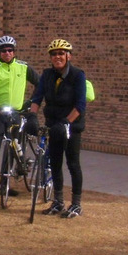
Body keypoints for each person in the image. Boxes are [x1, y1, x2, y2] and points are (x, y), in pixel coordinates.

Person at [30, 39, 86, 218]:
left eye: (61, 53)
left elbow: (80, 105)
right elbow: (37, 98)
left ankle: (76, 204)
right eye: (54, 54)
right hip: (53, 125)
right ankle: (58, 201)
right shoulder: (47, 75)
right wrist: (32, 116)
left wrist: (66, 123)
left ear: (68, 56)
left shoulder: (77, 75)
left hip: (71, 126)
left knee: (73, 164)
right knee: (54, 163)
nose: (57, 57)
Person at [0, 35, 40, 200]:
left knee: (13, 149)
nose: (7, 53)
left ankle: (4, 184)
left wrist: (31, 102)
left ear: (14, 52)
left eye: (10, 50)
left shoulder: (23, 67)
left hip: (16, 113)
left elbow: (40, 84)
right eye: (4, 50)